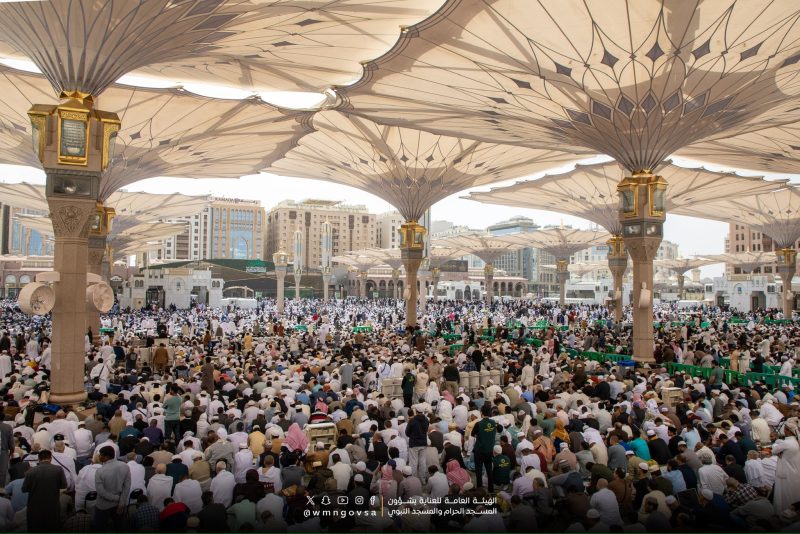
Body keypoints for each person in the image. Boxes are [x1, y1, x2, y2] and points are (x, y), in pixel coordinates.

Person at [22, 449, 67, 532]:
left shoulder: (30, 472)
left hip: (34, 507)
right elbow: (64, 485)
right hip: (52, 506)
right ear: (50, 458)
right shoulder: (58, 470)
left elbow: (24, 489)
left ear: (39, 459)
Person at [94, 445, 132, 531]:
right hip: (119, 505)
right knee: (119, 527)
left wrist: (117, 499)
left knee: (100, 528)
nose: (99, 456)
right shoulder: (125, 466)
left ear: (106, 456)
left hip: (103, 506)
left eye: (101, 455)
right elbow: (127, 486)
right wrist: (121, 501)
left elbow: (101, 492)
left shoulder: (100, 471)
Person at [471, 404, 496, 493]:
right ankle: (491, 489)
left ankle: (480, 490)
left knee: (479, 471)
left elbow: (472, 434)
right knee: (489, 470)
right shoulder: (493, 423)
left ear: (481, 413)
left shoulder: (479, 424)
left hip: (479, 450)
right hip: (489, 450)